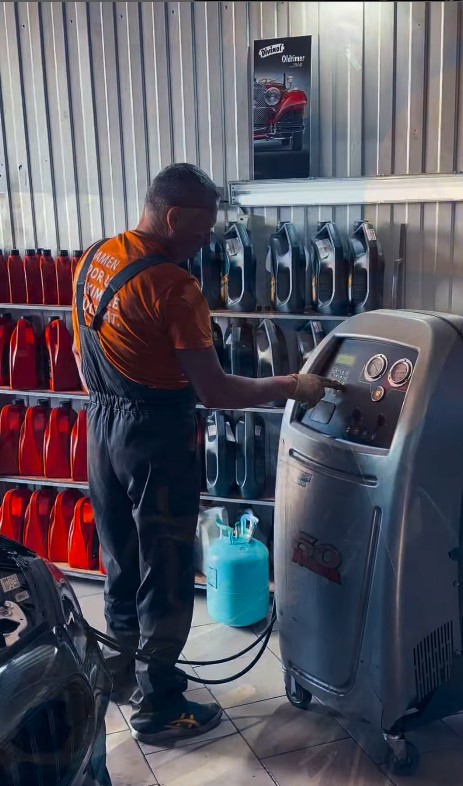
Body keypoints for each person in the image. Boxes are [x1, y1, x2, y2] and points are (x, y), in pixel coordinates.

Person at [72, 162, 341, 745]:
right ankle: (161, 705)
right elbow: (216, 391)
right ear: (172, 216)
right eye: (201, 228)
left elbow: (81, 353)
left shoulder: (96, 257)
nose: (205, 241)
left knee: (120, 554)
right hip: (154, 436)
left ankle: (120, 670)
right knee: (166, 568)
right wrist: (292, 386)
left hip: (101, 423)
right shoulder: (174, 287)